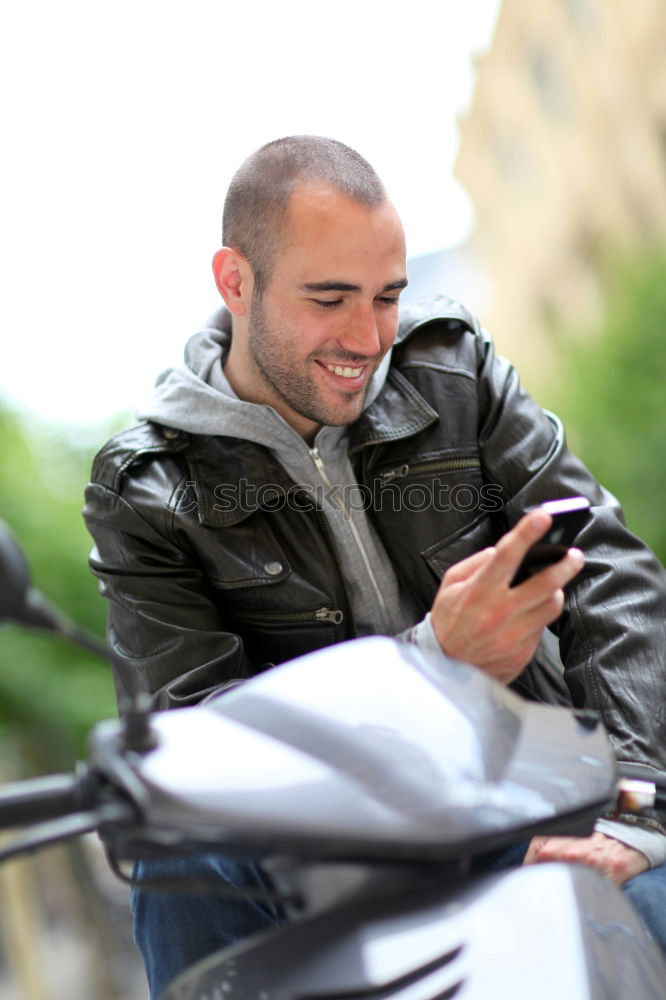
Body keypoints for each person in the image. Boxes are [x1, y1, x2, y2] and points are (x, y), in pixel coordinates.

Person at [83, 135, 666, 997]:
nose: (367, 336)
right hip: (329, 854)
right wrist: (432, 666)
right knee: (181, 849)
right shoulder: (147, 489)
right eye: (330, 299)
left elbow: (612, 570)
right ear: (235, 281)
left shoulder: (451, 368)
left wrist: (636, 809)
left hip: (532, 794)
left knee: (643, 908)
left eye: (386, 296)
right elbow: (201, 751)